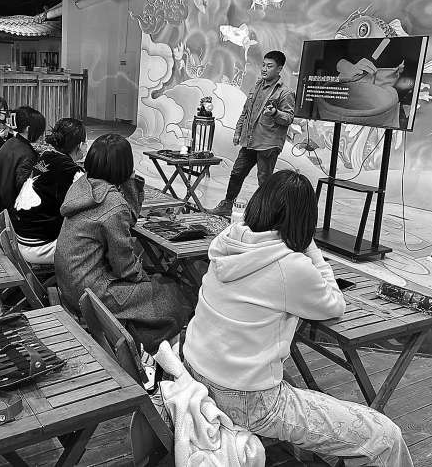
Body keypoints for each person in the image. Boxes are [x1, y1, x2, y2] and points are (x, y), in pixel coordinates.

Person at [182, 170, 413, 465]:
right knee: (385, 437)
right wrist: (310, 248)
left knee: (296, 386)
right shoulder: (290, 265)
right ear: (305, 221)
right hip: (248, 400)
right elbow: (334, 304)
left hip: (195, 371)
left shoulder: (228, 240)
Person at [55, 133, 197, 354]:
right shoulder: (113, 204)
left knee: (157, 286)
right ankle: (156, 350)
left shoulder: (83, 186)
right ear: (125, 166)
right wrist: (146, 281)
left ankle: (146, 341)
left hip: (69, 283)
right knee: (171, 295)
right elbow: (124, 266)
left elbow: (128, 221)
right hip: (92, 291)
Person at [209, 51, 295, 216]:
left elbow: (289, 118)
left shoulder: (285, 92)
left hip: (268, 143)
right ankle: (227, 205)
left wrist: (275, 113)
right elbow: (245, 111)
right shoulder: (257, 86)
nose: (264, 69)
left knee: (264, 180)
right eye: (263, 65)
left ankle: (265, 214)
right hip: (249, 141)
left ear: (279, 69)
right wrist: (238, 132)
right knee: (237, 173)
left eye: (269, 66)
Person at [12, 118, 86, 264]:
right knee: (96, 241)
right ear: (80, 145)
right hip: (41, 247)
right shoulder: (72, 171)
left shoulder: (46, 156)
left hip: (22, 237)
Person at [0, 106, 45, 214]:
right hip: (12, 211)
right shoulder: (27, 153)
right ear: (28, 129)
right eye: (40, 130)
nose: (41, 134)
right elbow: (26, 190)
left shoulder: (10, 142)